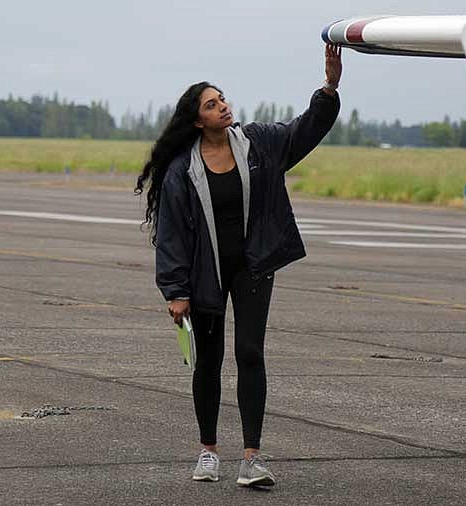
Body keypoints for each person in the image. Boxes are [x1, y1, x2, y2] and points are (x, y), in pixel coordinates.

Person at [134, 43, 342, 487]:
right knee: (208, 361)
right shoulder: (180, 171)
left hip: (252, 267)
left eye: (222, 99)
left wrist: (329, 87)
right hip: (204, 274)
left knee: (250, 354)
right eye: (212, 104)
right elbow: (170, 234)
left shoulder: (259, 143)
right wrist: (175, 290)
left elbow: (305, 130)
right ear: (197, 120)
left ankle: (252, 458)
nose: (223, 107)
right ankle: (208, 452)